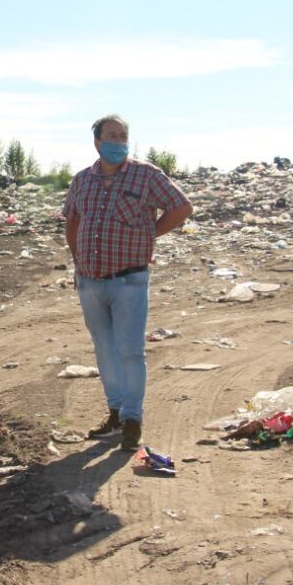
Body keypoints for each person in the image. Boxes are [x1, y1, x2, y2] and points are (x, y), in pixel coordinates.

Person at [63, 114, 193, 452]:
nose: (118, 142)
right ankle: (116, 412)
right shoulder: (82, 181)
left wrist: (150, 234)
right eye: (111, 136)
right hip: (90, 281)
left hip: (129, 279)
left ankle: (133, 418)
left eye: (123, 136)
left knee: (131, 351)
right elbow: (72, 222)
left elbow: (182, 207)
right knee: (105, 351)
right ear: (97, 141)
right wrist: (79, 263)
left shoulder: (146, 175)